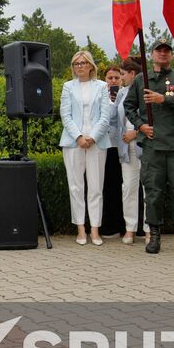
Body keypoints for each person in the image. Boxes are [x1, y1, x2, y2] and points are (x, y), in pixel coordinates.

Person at [124, 36, 174, 255]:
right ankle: (154, 236)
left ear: (172, 54)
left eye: (167, 50)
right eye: (159, 50)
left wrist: (164, 99)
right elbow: (128, 107)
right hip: (152, 146)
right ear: (152, 54)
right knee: (153, 192)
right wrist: (140, 126)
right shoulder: (141, 80)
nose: (163, 53)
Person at [59, 52, 116, 245]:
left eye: (83, 63)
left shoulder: (101, 86)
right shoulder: (68, 87)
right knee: (75, 186)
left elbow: (105, 116)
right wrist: (78, 136)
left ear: (91, 66)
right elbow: (65, 115)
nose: (79, 66)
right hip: (73, 141)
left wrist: (92, 137)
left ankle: (95, 229)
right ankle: (80, 229)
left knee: (96, 187)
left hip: (96, 142)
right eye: (76, 63)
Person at [109, 59, 145, 244]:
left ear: (132, 74)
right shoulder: (122, 93)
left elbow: (156, 118)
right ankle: (129, 229)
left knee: (149, 189)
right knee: (129, 188)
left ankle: (149, 229)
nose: (120, 78)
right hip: (126, 148)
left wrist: (136, 132)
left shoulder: (147, 91)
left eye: (122, 74)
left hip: (145, 146)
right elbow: (114, 119)